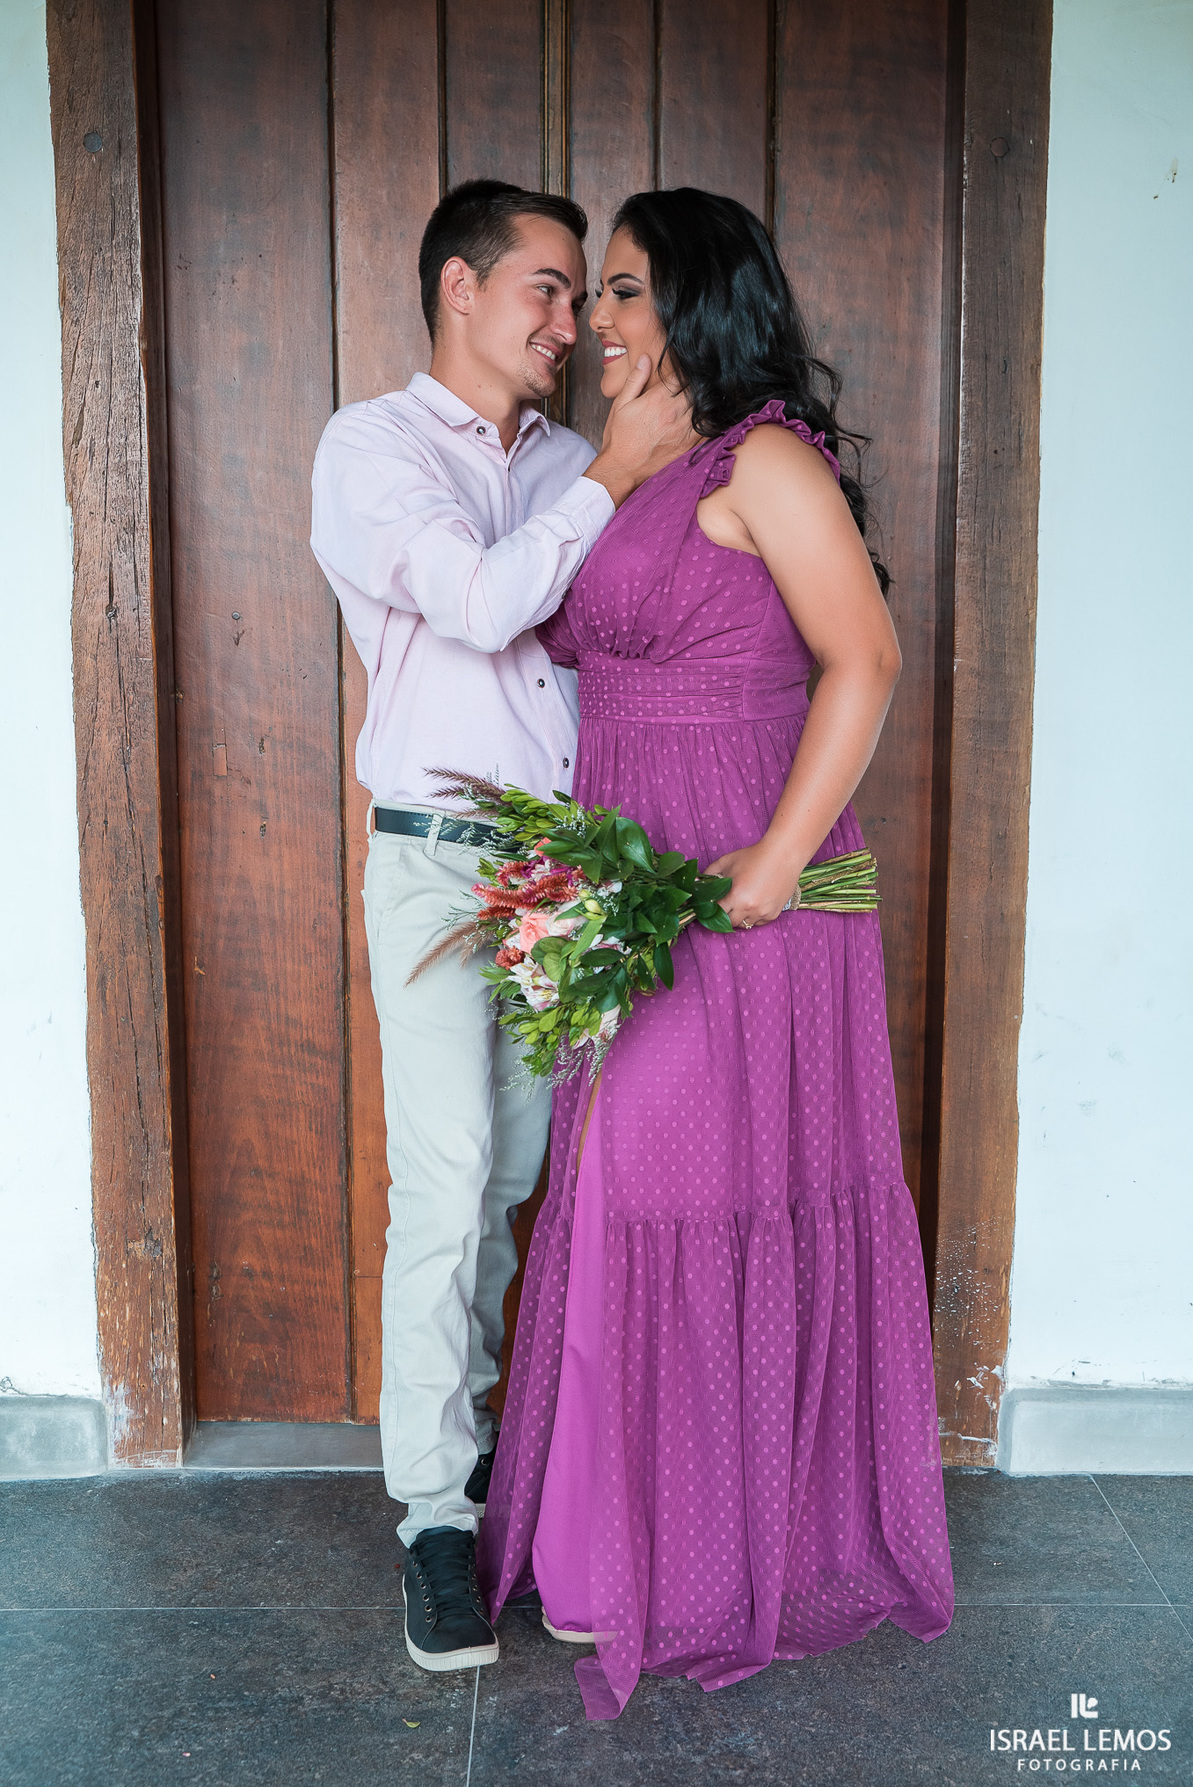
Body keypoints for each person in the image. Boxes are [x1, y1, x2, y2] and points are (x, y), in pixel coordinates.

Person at [478, 187, 954, 1718]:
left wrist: (773, 860)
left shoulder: (763, 463)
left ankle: (693, 1560)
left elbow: (863, 656)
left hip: (749, 890)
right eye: (590, 296)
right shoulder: (638, 468)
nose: (592, 326)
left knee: (691, 1199)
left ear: (694, 301)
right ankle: (617, 1549)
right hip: (626, 883)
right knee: (619, 1199)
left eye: (618, 293)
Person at [310, 179, 691, 1675]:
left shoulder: (563, 463)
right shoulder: (371, 448)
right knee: (449, 1174)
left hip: (565, 870)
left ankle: (489, 1475)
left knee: (522, 1171)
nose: (571, 319)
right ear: (459, 288)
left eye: (587, 292)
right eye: (545, 287)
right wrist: (616, 477)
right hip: (434, 867)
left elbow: (604, 632)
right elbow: (478, 604)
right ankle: (430, 1517)